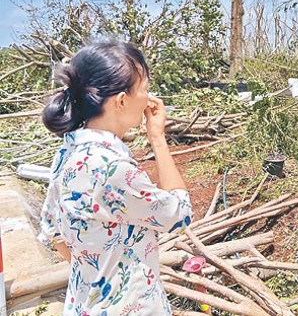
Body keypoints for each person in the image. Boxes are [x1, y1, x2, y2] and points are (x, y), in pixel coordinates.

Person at [39, 39, 192, 315]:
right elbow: (179, 212)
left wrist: (95, 272)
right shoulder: (112, 169)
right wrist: (157, 137)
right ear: (122, 101)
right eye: (144, 89)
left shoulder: (67, 154)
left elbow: (52, 231)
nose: (149, 97)